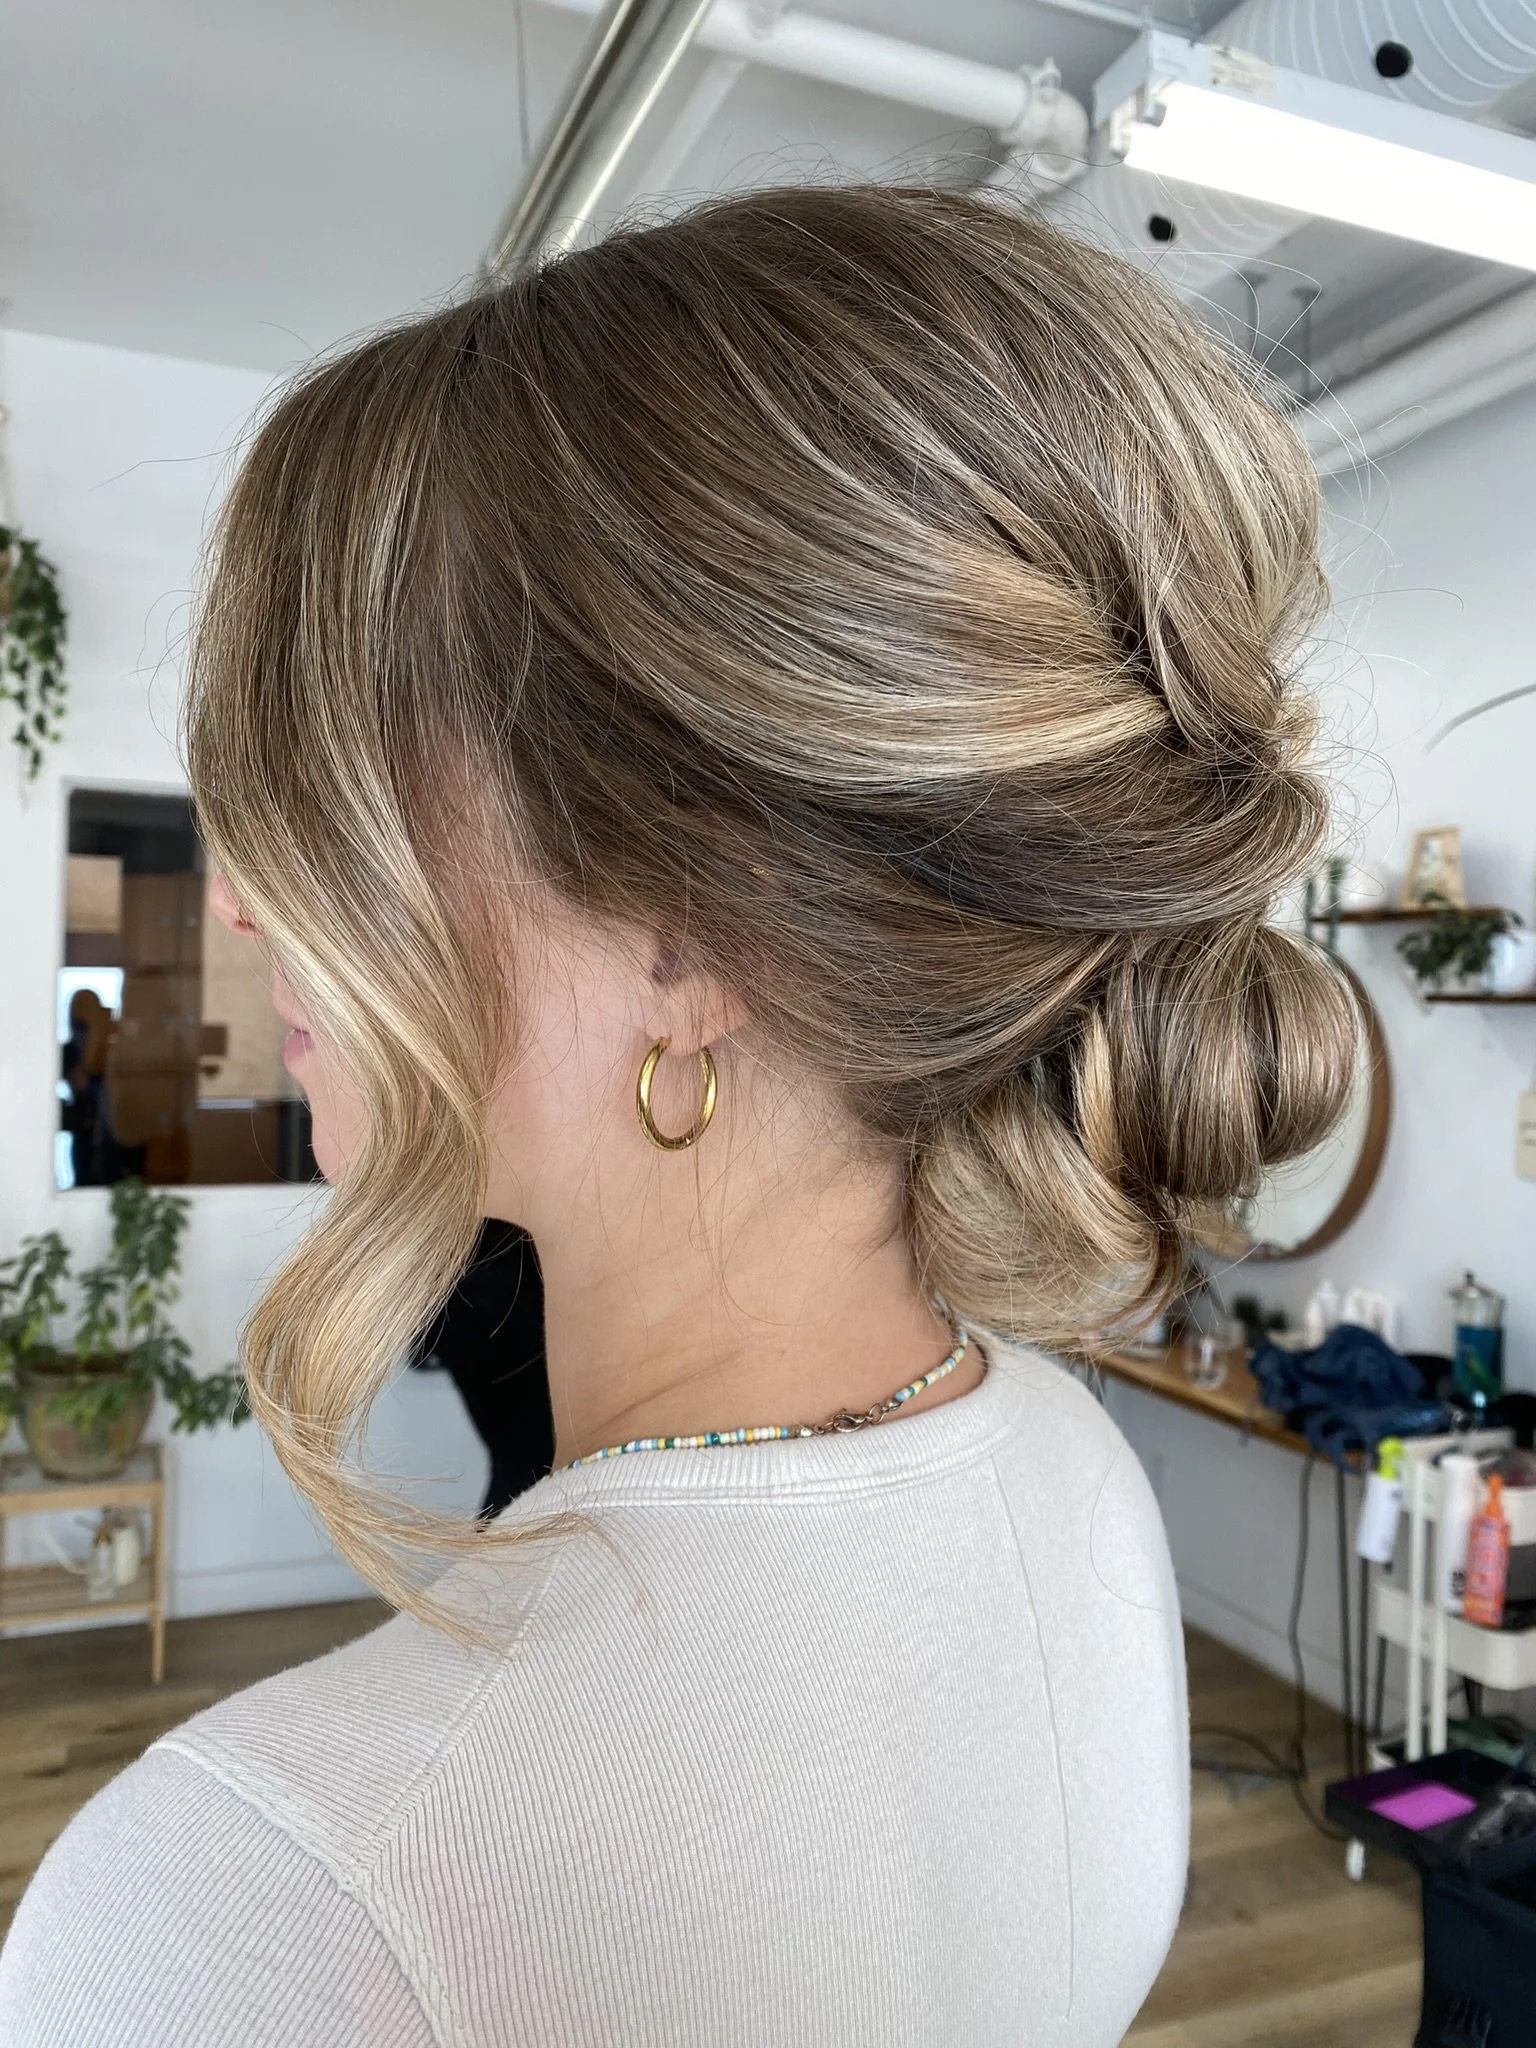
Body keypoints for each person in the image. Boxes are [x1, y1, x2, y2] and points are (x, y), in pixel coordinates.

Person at [0, 185, 1357, 2046]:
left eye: (338, 793)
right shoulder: (1073, 1476)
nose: (241, 903)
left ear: (691, 925)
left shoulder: (249, 1915)